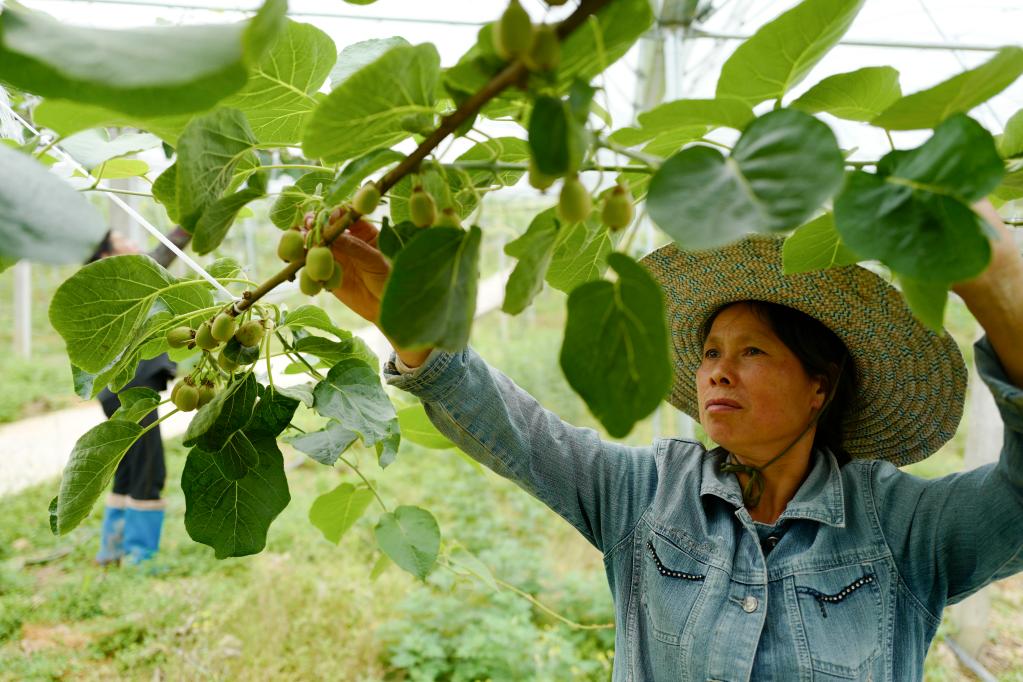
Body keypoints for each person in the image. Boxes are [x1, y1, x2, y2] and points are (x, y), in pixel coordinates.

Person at [323, 200, 1023, 681]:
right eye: (711, 351)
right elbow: (524, 436)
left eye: (752, 352)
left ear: (821, 385)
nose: (717, 369)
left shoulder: (900, 528)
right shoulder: (648, 494)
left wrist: (1000, 290)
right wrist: (415, 329)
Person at [87, 230, 175, 566]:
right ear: (106, 256)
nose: (134, 243)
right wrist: (191, 225)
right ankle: (140, 556)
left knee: (127, 465)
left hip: (116, 389)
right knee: (148, 468)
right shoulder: (122, 282)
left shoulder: (103, 289)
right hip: (132, 389)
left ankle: (111, 549)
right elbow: (163, 255)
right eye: (124, 240)